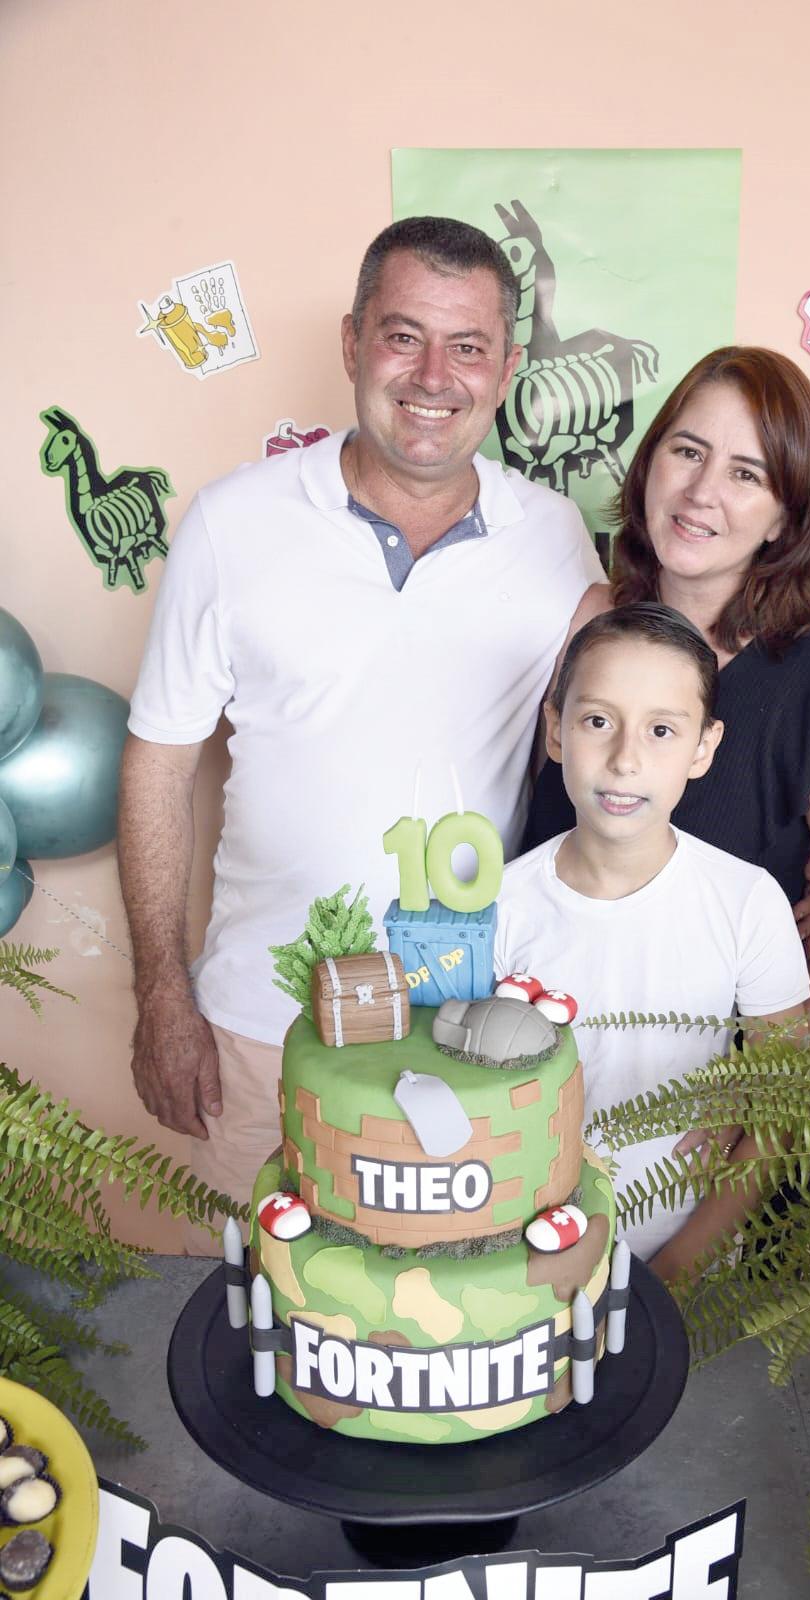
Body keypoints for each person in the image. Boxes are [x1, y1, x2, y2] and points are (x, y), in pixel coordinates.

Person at [118, 216, 603, 1208]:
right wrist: (162, 994)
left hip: (469, 1031)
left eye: (467, 346)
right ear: (351, 343)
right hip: (261, 1030)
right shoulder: (231, 523)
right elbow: (159, 768)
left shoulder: (554, 540)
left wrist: (781, 834)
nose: (434, 375)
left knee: (436, 1324)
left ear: (505, 369)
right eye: (402, 335)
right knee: (255, 1314)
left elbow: (641, 722)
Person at [524, 347, 810, 1038]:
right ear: (648, 465)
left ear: (784, 518)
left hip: (709, 1112)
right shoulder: (584, 620)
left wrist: (760, 1099)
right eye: (687, 451)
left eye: (746, 473)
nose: (702, 491)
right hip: (531, 1072)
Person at [496, 603, 810, 1281]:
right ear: (555, 730)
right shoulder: (499, 908)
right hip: (518, 1266)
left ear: (704, 747)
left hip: (680, 1263)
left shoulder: (747, 903)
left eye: (662, 730)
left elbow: (778, 1114)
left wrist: (678, 1271)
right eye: (597, 721)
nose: (625, 758)